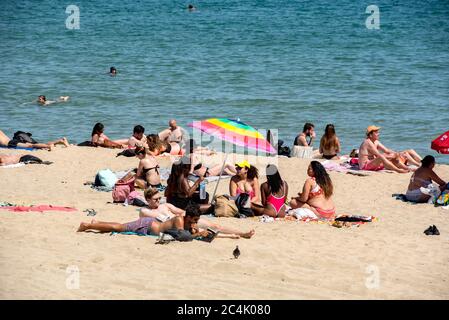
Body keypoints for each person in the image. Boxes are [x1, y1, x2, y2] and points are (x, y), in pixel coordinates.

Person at [140, 190, 255, 239]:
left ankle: (242, 233)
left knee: (215, 226)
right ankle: (230, 236)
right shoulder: (145, 211)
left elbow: (180, 211)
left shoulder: (165, 205)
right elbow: (153, 220)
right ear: (148, 199)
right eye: (155, 199)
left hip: (185, 219)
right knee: (202, 232)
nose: (158, 201)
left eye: (159, 198)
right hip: (175, 226)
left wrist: (191, 216)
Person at [0, 129, 69, 151]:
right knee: (32, 144)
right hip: (11, 142)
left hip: (11, 144)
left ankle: (48, 146)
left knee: (31, 145)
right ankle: (60, 141)